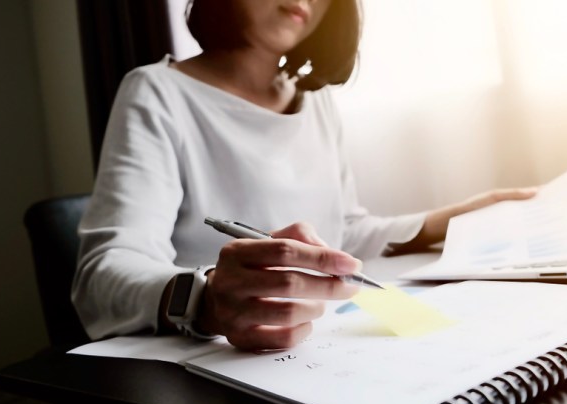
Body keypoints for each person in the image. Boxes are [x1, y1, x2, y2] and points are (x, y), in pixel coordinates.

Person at [72, 0, 536, 352]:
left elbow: (344, 231)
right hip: (214, 365)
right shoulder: (157, 92)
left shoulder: (316, 103)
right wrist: (206, 299)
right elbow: (100, 278)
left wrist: (450, 219)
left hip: (321, 344)